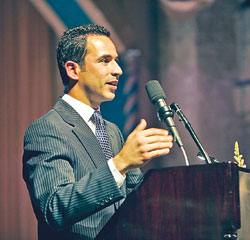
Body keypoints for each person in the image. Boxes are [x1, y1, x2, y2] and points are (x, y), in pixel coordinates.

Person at [22, 24, 173, 240]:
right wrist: (120, 163)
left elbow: (136, 201)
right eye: (105, 60)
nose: (118, 70)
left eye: (116, 60)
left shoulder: (111, 131)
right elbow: (54, 207)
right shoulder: (48, 129)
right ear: (73, 70)